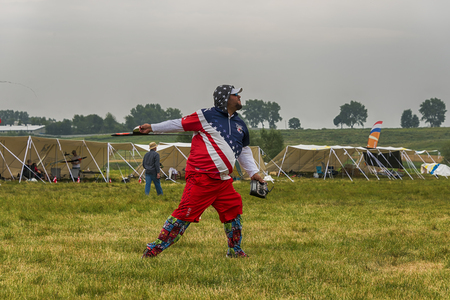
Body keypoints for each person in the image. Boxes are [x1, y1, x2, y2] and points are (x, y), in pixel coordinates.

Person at [139, 84, 264, 259]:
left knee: (233, 210)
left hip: (223, 181)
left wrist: (253, 172)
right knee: (183, 215)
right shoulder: (206, 116)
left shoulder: (240, 124)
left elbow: (243, 150)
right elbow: (179, 124)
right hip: (201, 178)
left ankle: (234, 250)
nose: (240, 98)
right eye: (236, 95)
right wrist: (153, 127)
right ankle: (154, 249)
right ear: (226, 98)